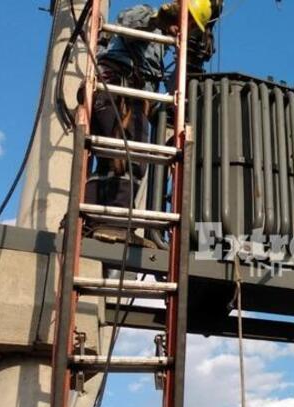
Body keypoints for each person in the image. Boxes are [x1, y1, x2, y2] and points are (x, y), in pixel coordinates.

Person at [85, 0, 213, 247]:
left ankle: (93, 222)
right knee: (127, 159)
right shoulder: (148, 16)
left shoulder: (164, 45)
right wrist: (157, 20)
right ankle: (114, 225)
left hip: (128, 95)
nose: (185, 30)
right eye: (186, 23)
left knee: (112, 161)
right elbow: (126, 22)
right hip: (118, 89)